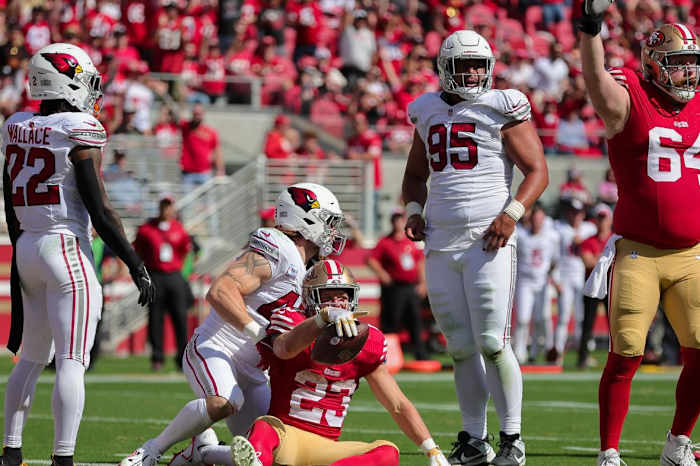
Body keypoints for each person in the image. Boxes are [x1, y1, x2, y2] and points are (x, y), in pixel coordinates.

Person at [0, 43, 155, 466]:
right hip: (66, 247)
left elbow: (9, 197)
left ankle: (11, 452)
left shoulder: (15, 124)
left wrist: (20, 253)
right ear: (65, 80)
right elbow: (99, 208)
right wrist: (135, 262)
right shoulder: (78, 126)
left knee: (31, 357)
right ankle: (63, 458)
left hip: (29, 244)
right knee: (71, 360)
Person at [119, 183, 347, 466]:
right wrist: (257, 332)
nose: (331, 231)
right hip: (217, 348)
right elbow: (221, 291)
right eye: (328, 221)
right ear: (304, 218)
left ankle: (202, 453)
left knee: (275, 452)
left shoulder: (307, 267)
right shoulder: (279, 249)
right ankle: (150, 451)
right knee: (224, 402)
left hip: (254, 369)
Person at [401, 30, 549, 466]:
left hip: (489, 239)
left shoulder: (501, 105)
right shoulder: (427, 110)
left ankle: (512, 438)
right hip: (441, 241)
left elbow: (537, 170)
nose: (472, 73)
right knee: (461, 346)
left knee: (493, 341)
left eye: (478, 65)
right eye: (463, 65)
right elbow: (414, 175)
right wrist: (413, 209)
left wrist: (512, 213)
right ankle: (473, 438)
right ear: (444, 67)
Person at [574, 3, 700, 464]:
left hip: (692, 254)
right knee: (627, 350)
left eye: (692, 64)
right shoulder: (632, 95)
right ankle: (609, 452)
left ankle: (677, 443)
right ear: (653, 64)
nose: (687, 73)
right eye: (678, 63)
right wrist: (591, 28)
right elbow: (596, 83)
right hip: (639, 253)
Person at [226, 259, 449, 466]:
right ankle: (256, 460)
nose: (337, 303)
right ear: (310, 298)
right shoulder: (291, 320)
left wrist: (432, 450)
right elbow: (284, 349)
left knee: (388, 452)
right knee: (264, 427)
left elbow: (397, 404)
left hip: (326, 447)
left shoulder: (367, 340)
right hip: (286, 436)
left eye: (342, 297)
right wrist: (322, 318)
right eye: (328, 297)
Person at [133, 196, 193, 371]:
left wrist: (183, 272)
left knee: (180, 317)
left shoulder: (179, 228)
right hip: (155, 275)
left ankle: (182, 357)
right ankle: (157, 357)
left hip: (174, 275)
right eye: (163, 207)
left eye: (169, 207)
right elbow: (138, 251)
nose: (166, 210)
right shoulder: (146, 229)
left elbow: (185, 251)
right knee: (155, 317)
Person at [366, 210, 428, 360]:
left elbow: (420, 262)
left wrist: (423, 282)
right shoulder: (385, 242)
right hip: (395, 287)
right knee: (391, 320)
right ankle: (387, 354)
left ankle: (420, 354)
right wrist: (383, 274)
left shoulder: (411, 240)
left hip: (411, 286)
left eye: (401, 220)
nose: (398, 223)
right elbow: (371, 260)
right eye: (396, 220)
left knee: (415, 319)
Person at [549, 197, 596, 365]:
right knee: (563, 317)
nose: (575, 216)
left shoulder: (589, 229)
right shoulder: (559, 229)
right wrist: (556, 280)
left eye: (578, 213)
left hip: (584, 277)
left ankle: (583, 352)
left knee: (581, 318)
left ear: (583, 214)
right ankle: (558, 353)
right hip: (566, 277)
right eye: (572, 212)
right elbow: (553, 257)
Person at [513, 203, 560, 364]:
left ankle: (534, 351)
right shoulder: (521, 235)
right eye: (534, 219)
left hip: (542, 283)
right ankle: (519, 352)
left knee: (541, 318)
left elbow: (555, 261)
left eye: (539, 219)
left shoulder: (551, 237)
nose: (536, 222)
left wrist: (552, 278)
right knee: (522, 319)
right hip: (524, 282)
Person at [577, 203, 612, 369]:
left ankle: (617, 357)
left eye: (604, 218)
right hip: (593, 285)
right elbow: (587, 261)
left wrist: (598, 258)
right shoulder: (588, 241)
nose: (602, 221)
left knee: (613, 323)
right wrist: (605, 258)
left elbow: (593, 260)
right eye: (600, 218)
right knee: (587, 323)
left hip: (610, 284)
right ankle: (582, 358)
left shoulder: (616, 239)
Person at [179, 103, 224, 188]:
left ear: (203, 115)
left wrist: (220, 170)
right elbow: (176, 115)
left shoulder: (211, 132)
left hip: (205, 173)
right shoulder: (186, 127)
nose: (197, 116)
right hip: (188, 173)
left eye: (199, 114)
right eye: (195, 114)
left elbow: (217, 152)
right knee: (187, 199)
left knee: (208, 200)